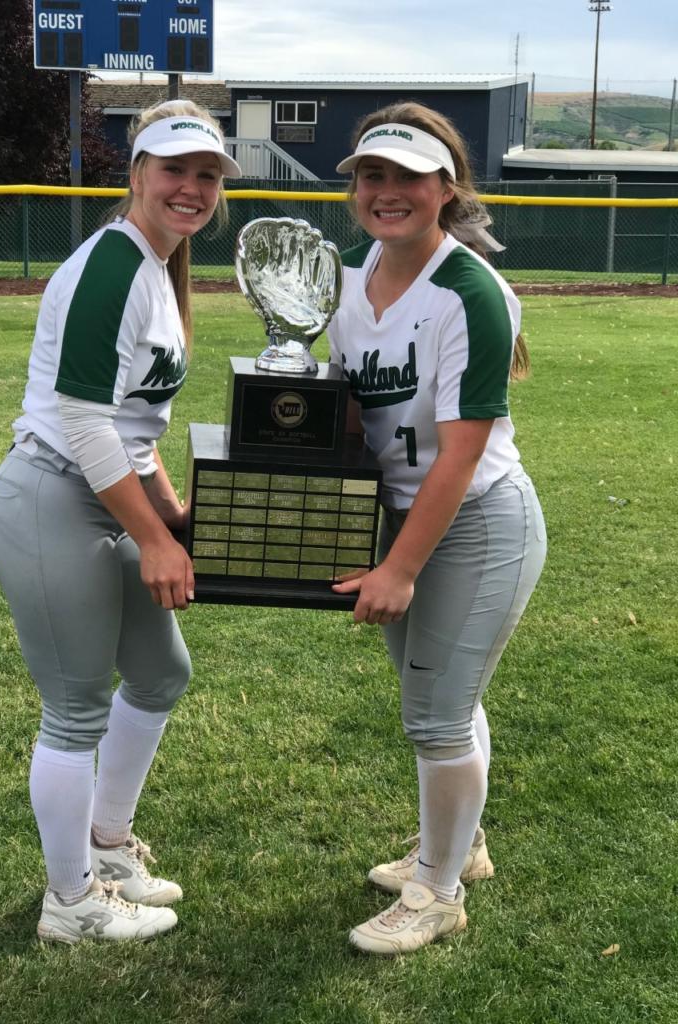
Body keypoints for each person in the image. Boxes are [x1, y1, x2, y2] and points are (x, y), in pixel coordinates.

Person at [0, 100, 241, 944]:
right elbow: (86, 423)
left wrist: (173, 516)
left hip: (99, 495)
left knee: (161, 673)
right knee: (75, 709)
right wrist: (157, 539)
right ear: (137, 175)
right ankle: (72, 901)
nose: (192, 188)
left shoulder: (159, 269)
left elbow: (136, 428)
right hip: (53, 495)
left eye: (208, 175)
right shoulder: (116, 265)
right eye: (175, 170)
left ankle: (109, 846)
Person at [327, 102, 546, 955]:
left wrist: (400, 568)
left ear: (445, 189)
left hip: (475, 521)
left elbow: (461, 454)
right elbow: (341, 409)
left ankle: (440, 891)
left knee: (436, 715)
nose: (387, 193)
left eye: (408, 177)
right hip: (398, 514)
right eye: (371, 176)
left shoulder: (470, 290)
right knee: (447, 704)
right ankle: (463, 843)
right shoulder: (342, 274)